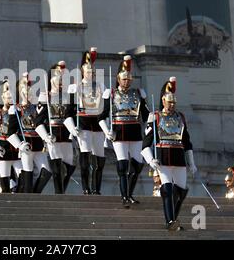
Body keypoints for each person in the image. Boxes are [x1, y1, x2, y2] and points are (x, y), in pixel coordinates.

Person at [141, 77, 197, 231]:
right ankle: (169, 221)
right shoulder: (156, 117)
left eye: (174, 102)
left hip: (179, 159)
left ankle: (174, 219)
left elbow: (187, 142)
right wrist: (150, 159)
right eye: (169, 101)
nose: (172, 105)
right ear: (163, 100)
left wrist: (192, 162)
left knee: (180, 191)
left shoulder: (181, 118)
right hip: (163, 158)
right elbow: (146, 143)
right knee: (167, 189)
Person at [98, 55, 149, 206]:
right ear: (118, 79)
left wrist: (150, 114)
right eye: (124, 79)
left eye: (129, 79)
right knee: (122, 164)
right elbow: (102, 116)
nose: (127, 81)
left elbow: (145, 115)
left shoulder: (138, 94)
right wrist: (106, 130)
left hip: (134, 131)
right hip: (119, 132)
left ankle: (130, 193)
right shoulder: (111, 94)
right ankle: (124, 196)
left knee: (137, 165)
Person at [35, 61, 76, 194]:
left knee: (70, 165)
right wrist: (46, 136)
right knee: (57, 165)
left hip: (66, 133)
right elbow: (38, 121)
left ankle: (62, 189)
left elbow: (73, 115)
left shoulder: (68, 97)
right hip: (53, 134)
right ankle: (59, 193)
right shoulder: (45, 97)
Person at [70, 47, 107, 195]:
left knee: (99, 158)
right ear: (82, 72)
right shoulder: (76, 87)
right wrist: (72, 127)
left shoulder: (100, 86)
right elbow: (70, 111)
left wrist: (107, 127)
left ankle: (96, 188)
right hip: (84, 123)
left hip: (97, 124)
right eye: (87, 71)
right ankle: (85, 187)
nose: (90, 74)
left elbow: (106, 108)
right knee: (85, 156)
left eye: (92, 71)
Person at [7, 72, 52, 193]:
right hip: (25, 143)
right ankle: (28, 197)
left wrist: (46, 136)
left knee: (47, 170)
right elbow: (10, 132)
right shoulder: (15, 109)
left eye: (28, 88)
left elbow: (42, 122)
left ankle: (35, 194)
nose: (27, 90)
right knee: (28, 171)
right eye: (24, 88)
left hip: (38, 143)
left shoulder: (36, 107)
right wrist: (20, 144)